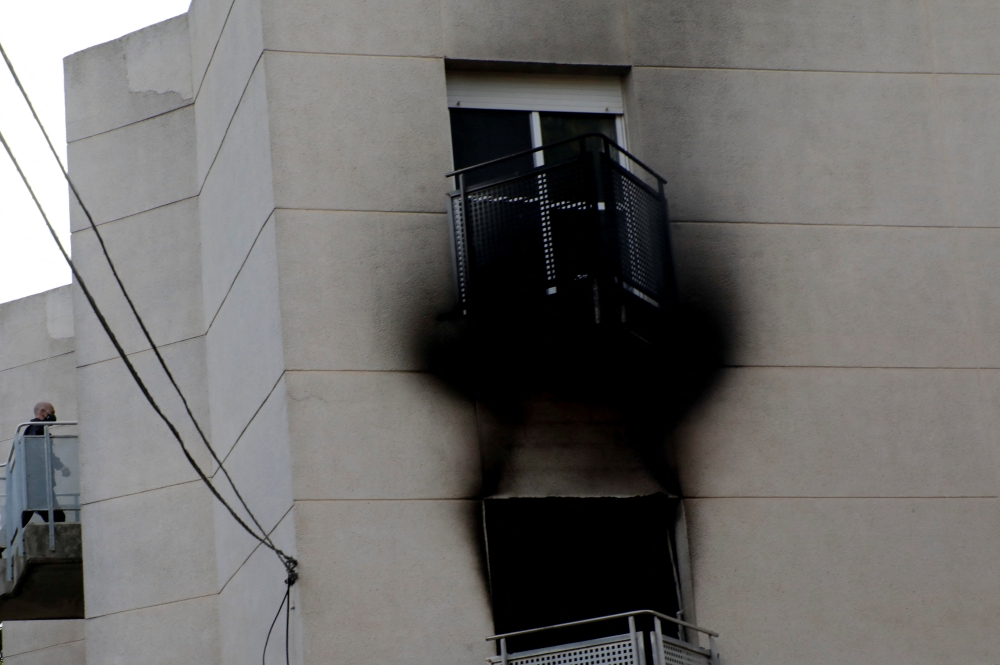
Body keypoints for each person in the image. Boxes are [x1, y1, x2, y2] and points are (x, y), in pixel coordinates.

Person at [21, 402, 69, 527]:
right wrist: (60, 466)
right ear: (42, 411)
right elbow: (43, 453)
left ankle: (8, 534)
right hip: (39, 484)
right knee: (57, 517)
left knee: (28, 514)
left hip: (37, 484)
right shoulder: (36, 428)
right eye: (51, 413)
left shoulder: (36, 428)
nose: (53, 416)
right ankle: (7, 534)